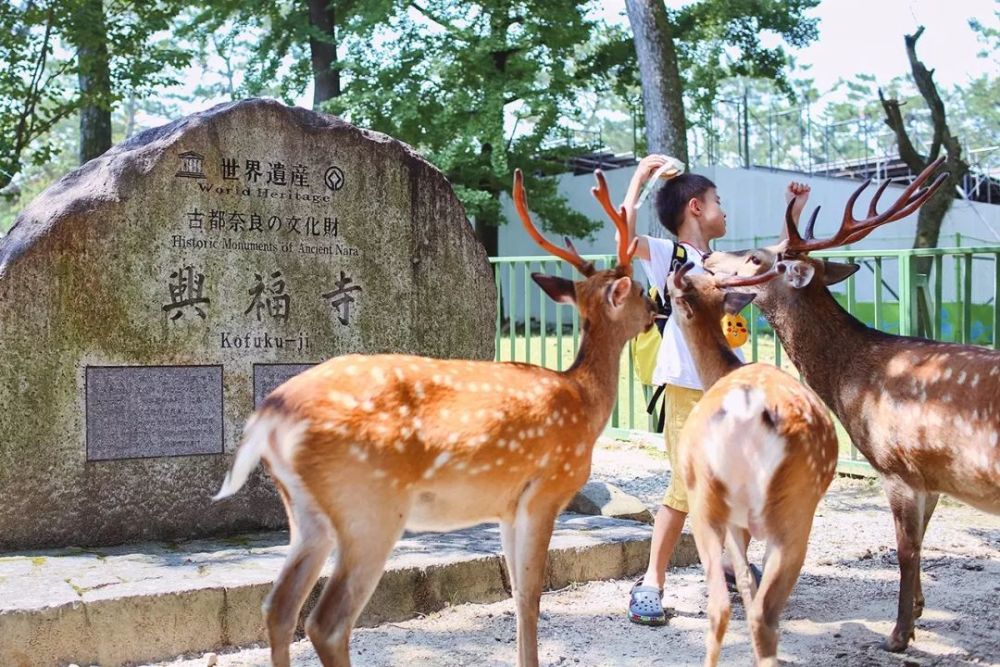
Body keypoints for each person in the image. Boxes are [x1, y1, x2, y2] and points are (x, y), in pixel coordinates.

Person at [622, 155, 810, 626]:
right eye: (717, 202)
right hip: (688, 387)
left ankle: (732, 568)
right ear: (695, 208)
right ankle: (651, 582)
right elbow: (625, 239)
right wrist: (641, 178)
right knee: (687, 487)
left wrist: (795, 210)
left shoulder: (723, 262)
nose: (724, 210)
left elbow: (781, 250)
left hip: (731, 387)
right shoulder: (672, 256)